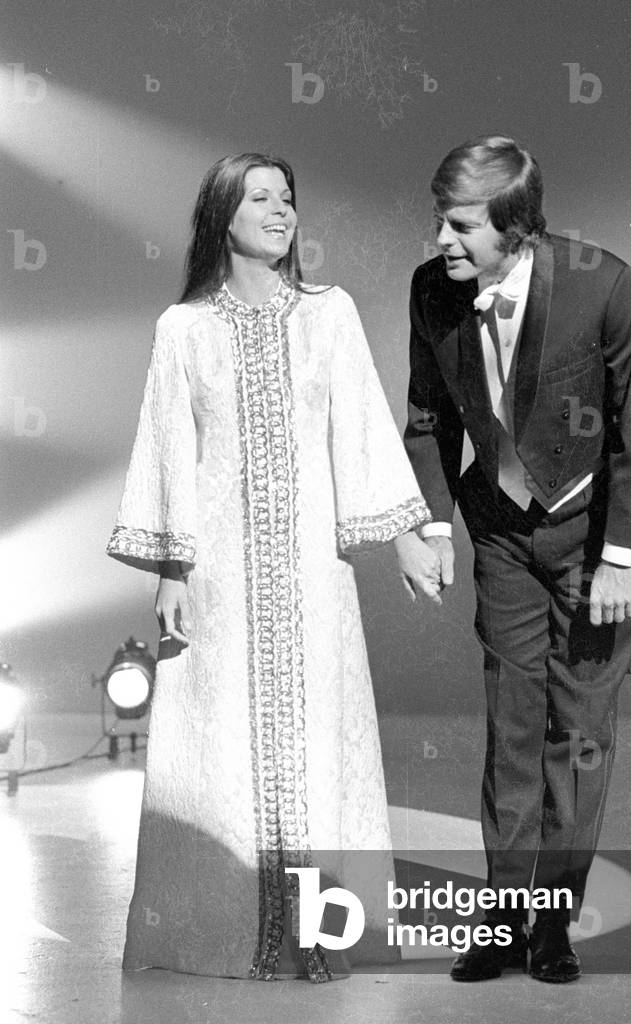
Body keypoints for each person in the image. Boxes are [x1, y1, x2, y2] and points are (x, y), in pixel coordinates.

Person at [107, 153, 440, 983]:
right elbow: (169, 448)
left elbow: (360, 422)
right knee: (218, 753)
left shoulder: (327, 314)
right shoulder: (183, 330)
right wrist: (171, 568)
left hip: (312, 577)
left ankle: (325, 932)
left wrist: (404, 530)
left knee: (318, 739)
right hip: (218, 579)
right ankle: (217, 932)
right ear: (222, 215)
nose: (281, 210)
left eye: (288, 197)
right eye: (260, 197)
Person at [403, 136, 631, 983]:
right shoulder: (431, 291)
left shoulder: (605, 283)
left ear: (515, 227)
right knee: (513, 732)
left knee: (579, 738)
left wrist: (622, 557)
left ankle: (554, 922)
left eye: (458, 226)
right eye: (439, 222)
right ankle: (502, 919)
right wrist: (425, 526)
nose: (441, 241)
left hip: (594, 541)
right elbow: (428, 419)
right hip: (499, 538)